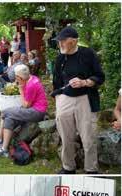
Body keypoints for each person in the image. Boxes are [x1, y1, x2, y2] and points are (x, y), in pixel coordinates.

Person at [52, 27, 105, 174]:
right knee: (66, 138)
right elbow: (56, 81)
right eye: (59, 41)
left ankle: (91, 170)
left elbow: (100, 76)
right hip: (65, 99)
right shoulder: (60, 58)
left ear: (74, 41)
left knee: (88, 138)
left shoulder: (88, 54)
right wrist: (59, 98)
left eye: (63, 41)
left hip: (85, 99)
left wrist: (85, 82)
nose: (60, 44)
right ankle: (68, 167)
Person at [0, 64, 48, 158]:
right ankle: (4, 149)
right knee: (9, 119)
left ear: (20, 77)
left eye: (16, 76)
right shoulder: (30, 78)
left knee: (5, 112)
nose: (15, 78)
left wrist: (21, 89)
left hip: (37, 112)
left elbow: (26, 105)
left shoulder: (32, 85)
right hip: (32, 109)